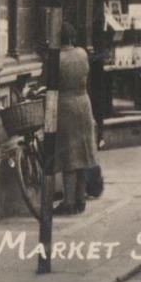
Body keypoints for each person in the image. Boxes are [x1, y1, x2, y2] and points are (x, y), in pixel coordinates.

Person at [53, 25, 100, 214]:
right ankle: (80, 200)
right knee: (83, 153)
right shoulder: (82, 53)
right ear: (72, 37)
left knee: (69, 155)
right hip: (84, 102)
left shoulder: (56, 58)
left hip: (65, 106)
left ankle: (69, 202)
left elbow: (48, 82)